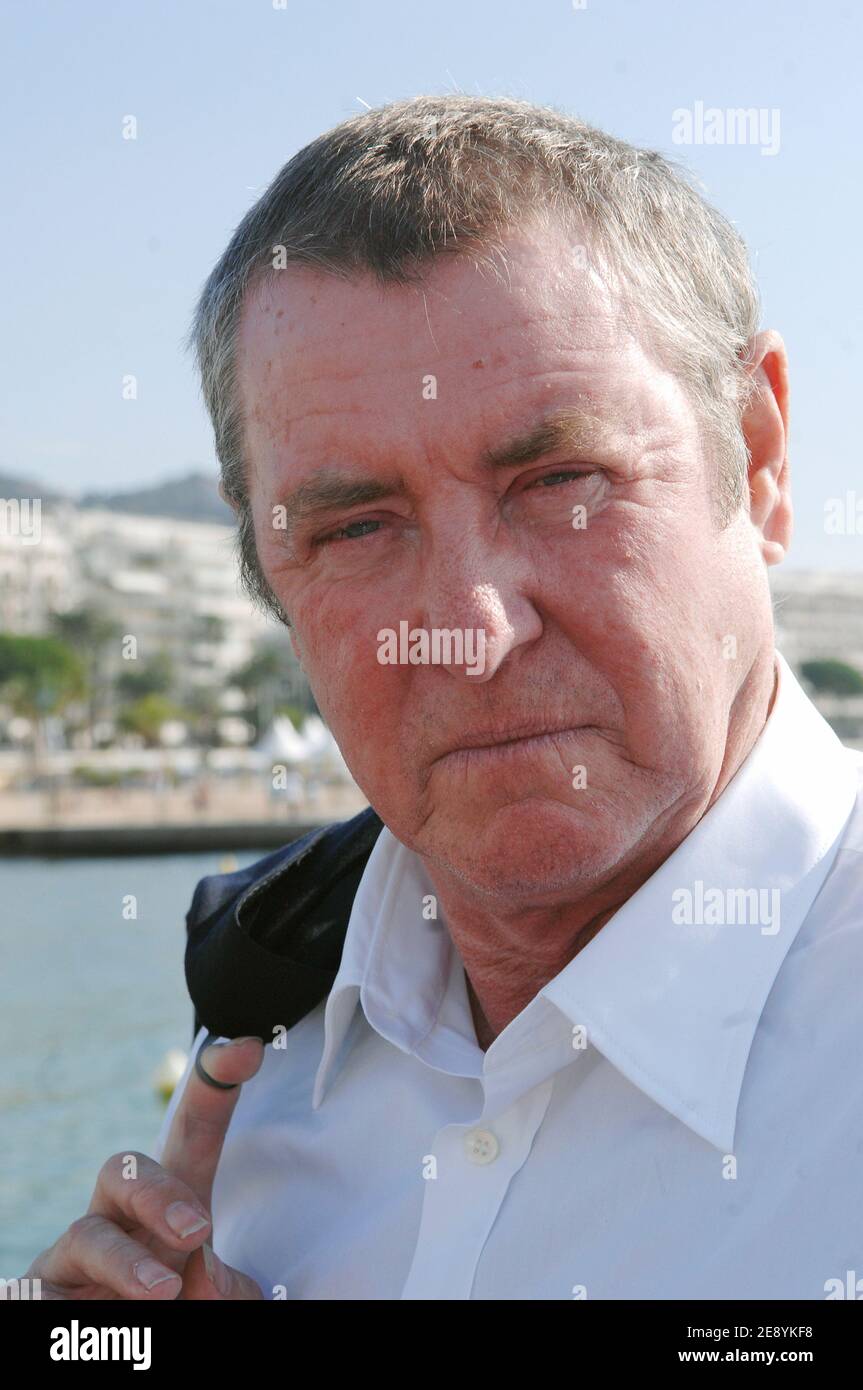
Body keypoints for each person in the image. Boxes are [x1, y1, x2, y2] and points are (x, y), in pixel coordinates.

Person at [23, 94, 863, 1300]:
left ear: (760, 453)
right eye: (358, 526)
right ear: (264, 563)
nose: (468, 629)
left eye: (561, 480)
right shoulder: (268, 1026)